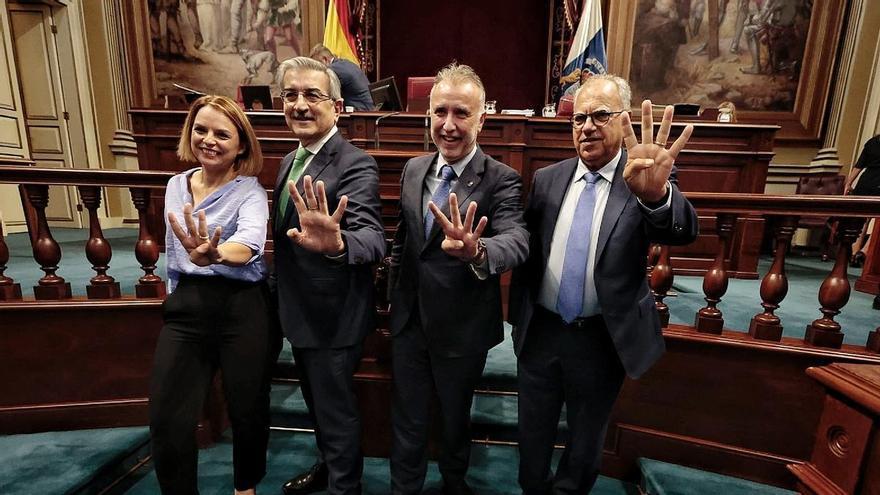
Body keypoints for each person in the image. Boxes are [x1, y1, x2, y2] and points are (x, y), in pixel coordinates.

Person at [509, 74, 699, 494]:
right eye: (578, 118)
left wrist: (656, 198)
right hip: (541, 332)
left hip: (601, 339)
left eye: (600, 115)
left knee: (584, 444)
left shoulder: (641, 177)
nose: (587, 127)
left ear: (624, 120)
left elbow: (683, 230)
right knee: (531, 439)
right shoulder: (548, 179)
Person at [388, 62, 529, 495]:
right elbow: (404, 240)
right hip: (410, 322)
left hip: (462, 328)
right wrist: (392, 300)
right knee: (407, 420)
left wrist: (477, 251)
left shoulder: (502, 179)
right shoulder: (414, 169)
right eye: (440, 112)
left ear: (482, 118)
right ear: (428, 113)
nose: (448, 125)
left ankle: (454, 484)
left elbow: (517, 240)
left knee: (453, 421)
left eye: (461, 114)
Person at [150, 94, 278, 495]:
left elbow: (250, 244)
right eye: (201, 129)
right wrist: (176, 295)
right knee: (167, 416)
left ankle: (245, 487)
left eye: (222, 134)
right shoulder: (176, 185)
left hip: (242, 308)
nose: (209, 140)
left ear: (241, 145)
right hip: (188, 305)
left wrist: (217, 254)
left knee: (248, 409)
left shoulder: (250, 192)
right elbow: (176, 252)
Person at [273, 56, 385, 495]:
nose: (299, 104)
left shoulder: (355, 164)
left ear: (337, 107)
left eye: (312, 95)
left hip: (334, 318)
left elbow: (373, 240)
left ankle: (344, 487)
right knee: (317, 410)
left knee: (336, 416)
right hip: (298, 313)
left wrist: (338, 245)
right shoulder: (289, 160)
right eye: (291, 95)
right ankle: (326, 468)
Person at [845, 134, 880, 270]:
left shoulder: (872, 142)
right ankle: (864, 252)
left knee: (861, 220)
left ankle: (853, 253)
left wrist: (848, 183)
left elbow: (859, 165)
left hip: (865, 182)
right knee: (878, 222)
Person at [310, 43, 375, 111]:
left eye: (317, 65)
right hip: (370, 108)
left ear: (324, 59)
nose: (317, 69)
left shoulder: (333, 70)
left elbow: (322, 91)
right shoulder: (346, 63)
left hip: (360, 113)